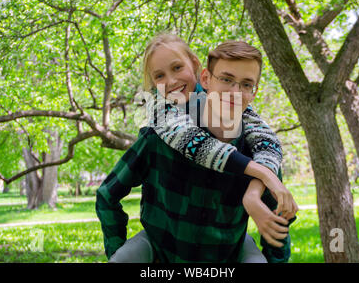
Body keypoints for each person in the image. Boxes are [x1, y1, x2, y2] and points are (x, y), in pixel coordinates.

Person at [96, 40, 297, 263]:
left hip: (228, 254)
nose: (234, 92)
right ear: (205, 78)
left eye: (246, 84)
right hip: (161, 252)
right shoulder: (160, 135)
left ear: (254, 92)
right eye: (226, 79)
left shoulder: (258, 150)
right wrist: (116, 250)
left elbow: (279, 221)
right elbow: (107, 195)